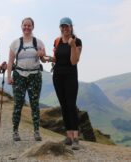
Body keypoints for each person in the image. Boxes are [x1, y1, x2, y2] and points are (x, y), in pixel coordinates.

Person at [43, 17, 82, 150]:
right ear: (60, 28)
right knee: (64, 106)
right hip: (58, 76)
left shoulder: (77, 41)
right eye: (62, 26)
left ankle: (76, 138)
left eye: (67, 26)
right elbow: (56, 58)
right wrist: (45, 58)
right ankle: (69, 137)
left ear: (71, 27)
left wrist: (72, 45)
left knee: (71, 105)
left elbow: (74, 61)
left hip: (70, 77)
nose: (65, 29)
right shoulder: (57, 41)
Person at [7, 17, 46, 141]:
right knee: (18, 104)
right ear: (21, 26)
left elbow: (44, 59)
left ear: (32, 27)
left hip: (35, 75)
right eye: (25, 25)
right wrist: (9, 76)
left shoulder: (38, 42)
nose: (27, 27)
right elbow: (10, 61)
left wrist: (42, 55)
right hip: (19, 75)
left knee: (35, 104)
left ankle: (36, 131)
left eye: (29, 25)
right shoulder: (15, 43)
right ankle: (15, 131)